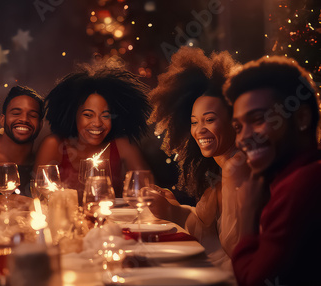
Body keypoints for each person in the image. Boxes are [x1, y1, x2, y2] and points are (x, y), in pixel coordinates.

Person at [147, 47, 249, 270]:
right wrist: (172, 208)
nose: (199, 130)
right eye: (194, 122)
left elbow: (236, 251)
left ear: (235, 120)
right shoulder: (225, 168)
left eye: (209, 119)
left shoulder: (237, 167)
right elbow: (208, 229)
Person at [224, 56, 321, 285]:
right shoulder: (291, 178)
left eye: (258, 119)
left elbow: (254, 281)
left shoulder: (300, 185)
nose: (243, 138)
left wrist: (246, 217)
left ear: (302, 118)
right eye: (238, 127)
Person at [34, 61, 152, 200]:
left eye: (106, 116)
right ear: (73, 115)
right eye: (88, 115)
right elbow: (39, 197)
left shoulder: (123, 145)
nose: (97, 123)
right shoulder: (53, 144)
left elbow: (148, 193)